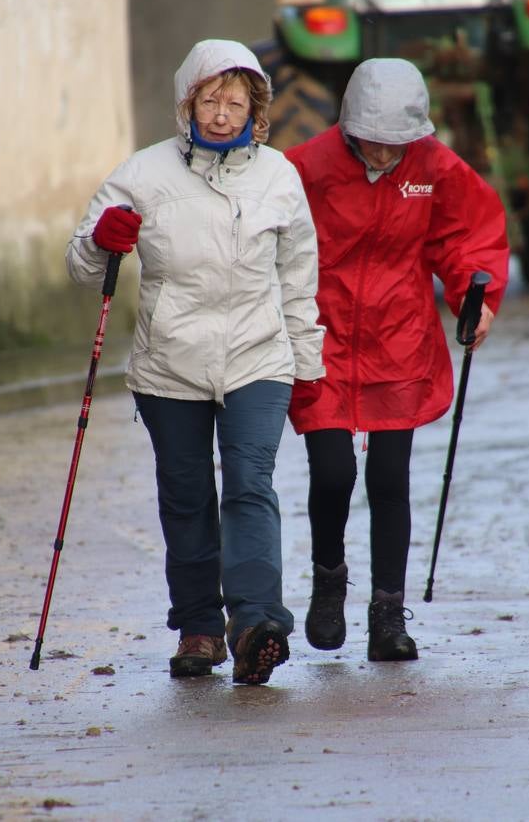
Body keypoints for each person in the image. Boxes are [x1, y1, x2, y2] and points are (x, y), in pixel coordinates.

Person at [66, 40, 325, 685]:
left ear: (255, 107)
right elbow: (81, 263)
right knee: (185, 499)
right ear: (188, 100)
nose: (220, 113)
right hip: (170, 365)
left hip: (257, 358)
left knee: (248, 486)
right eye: (209, 99)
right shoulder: (143, 174)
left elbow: (298, 278)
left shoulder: (278, 176)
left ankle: (257, 623)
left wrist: (308, 361)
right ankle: (200, 627)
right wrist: (104, 240)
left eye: (235, 102)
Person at [285, 57, 509, 662]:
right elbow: (270, 235)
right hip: (322, 337)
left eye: (395, 147)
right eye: (371, 144)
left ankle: (388, 614)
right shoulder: (306, 166)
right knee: (332, 472)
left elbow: (469, 238)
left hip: (398, 336)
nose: (383, 157)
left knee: (389, 479)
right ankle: (328, 579)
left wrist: (474, 301)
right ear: (349, 129)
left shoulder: (435, 168)